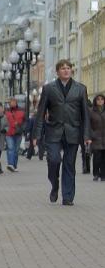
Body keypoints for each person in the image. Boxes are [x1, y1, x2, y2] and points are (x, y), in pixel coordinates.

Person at [32, 59, 92, 205]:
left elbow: (85, 114)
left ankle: (68, 197)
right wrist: (36, 135)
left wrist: (87, 135)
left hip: (73, 131)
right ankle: (54, 184)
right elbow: (40, 113)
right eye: (63, 68)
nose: (66, 70)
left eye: (68, 68)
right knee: (53, 160)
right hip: (54, 131)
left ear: (72, 70)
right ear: (57, 72)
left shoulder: (80, 89)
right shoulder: (49, 89)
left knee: (69, 164)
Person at [4, 97, 25, 172]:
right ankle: (10, 164)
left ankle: (14, 166)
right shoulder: (6, 111)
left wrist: (22, 127)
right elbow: (4, 121)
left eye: (13, 102)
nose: (12, 103)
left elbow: (25, 121)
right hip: (9, 133)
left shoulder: (22, 110)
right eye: (10, 102)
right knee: (10, 148)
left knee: (16, 150)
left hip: (18, 133)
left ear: (16, 103)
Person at [89, 94, 105, 181]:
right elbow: (88, 125)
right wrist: (91, 135)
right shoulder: (91, 111)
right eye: (98, 99)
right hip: (95, 138)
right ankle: (96, 174)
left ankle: (103, 175)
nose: (100, 101)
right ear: (95, 101)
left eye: (102, 99)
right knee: (96, 158)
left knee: (104, 158)